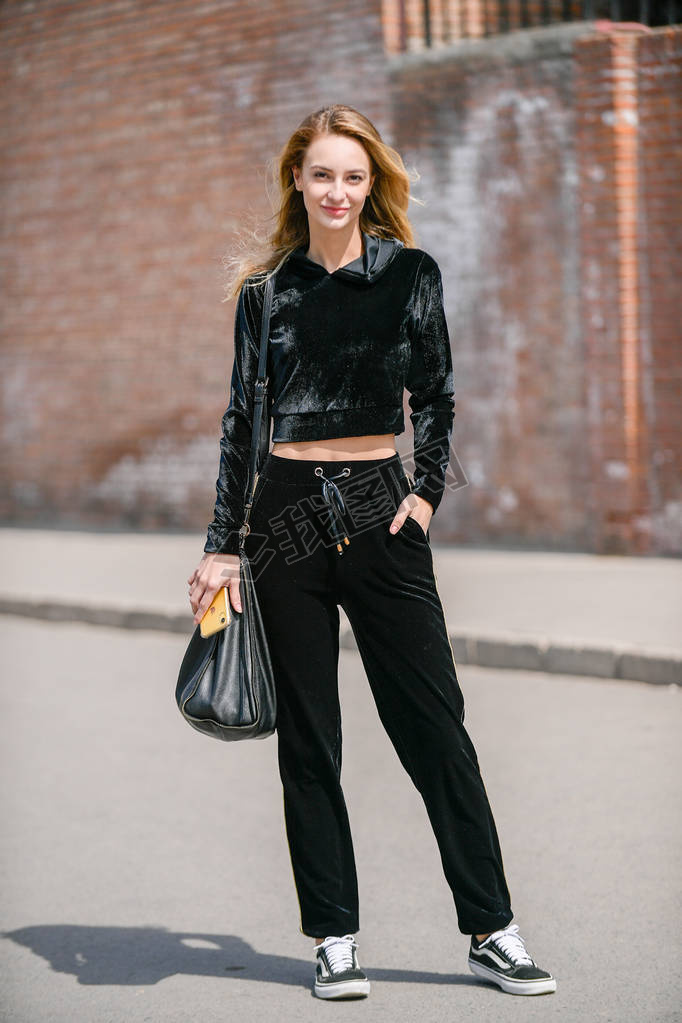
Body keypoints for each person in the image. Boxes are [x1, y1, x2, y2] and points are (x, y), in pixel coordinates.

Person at [187, 104, 556, 1001]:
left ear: (372, 182)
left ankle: (491, 927)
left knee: (433, 726)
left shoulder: (410, 276)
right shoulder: (266, 293)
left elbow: (435, 394)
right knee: (311, 739)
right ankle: (334, 937)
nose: (338, 191)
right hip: (283, 518)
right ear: (298, 183)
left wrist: (424, 493)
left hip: (379, 508)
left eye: (353, 175)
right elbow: (242, 420)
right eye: (322, 174)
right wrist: (222, 547)